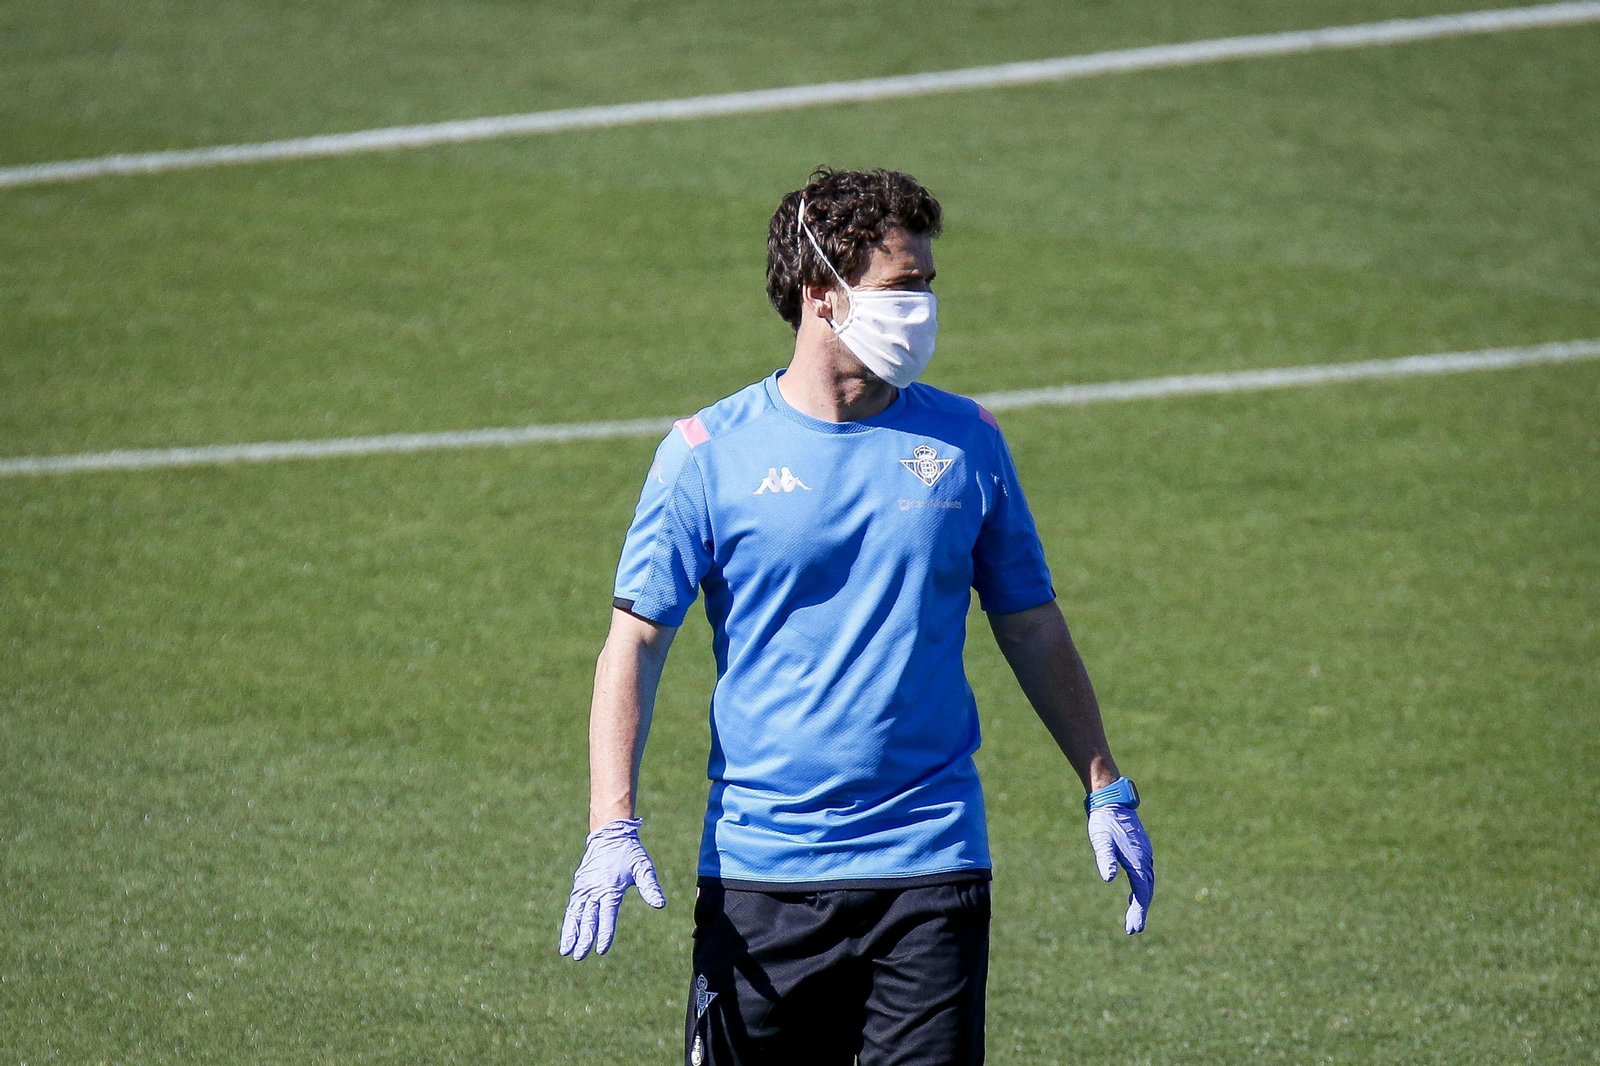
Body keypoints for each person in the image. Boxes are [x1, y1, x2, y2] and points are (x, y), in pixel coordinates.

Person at [559, 167, 1154, 1066]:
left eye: (928, 286)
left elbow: (1030, 623)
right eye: (900, 289)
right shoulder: (706, 456)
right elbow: (634, 642)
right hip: (762, 880)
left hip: (931, 865)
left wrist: (1105, 784)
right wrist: (613, 824)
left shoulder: (967, 443)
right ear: (820, 296)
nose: (922, 309)